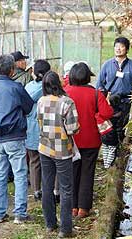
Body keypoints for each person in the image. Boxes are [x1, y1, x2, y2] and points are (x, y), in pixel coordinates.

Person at [0, 54, 34, 224]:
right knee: (19, 174)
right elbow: (28, 107)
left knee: (0, 174)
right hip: (14, 136)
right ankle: (20, 213)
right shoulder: (16, 87)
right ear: (12, 70)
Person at [65, 62, 113, 218]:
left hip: (70, 139)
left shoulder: (65, 93)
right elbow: (107, 113)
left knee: (72, 172)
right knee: (87, 172)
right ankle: (83, 208)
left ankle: (72, 207)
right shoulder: (95, 94)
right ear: (87, 77)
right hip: (91, 140)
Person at [37, 71, 80, 238]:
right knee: (66, 189)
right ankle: (66, 229)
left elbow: (39, 122)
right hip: (62, 150)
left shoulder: (41, 101)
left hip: (45, 147)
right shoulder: (67, 102)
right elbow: (72, 128)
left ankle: (50, 224)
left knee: (46, 186)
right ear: (59, 83)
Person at [96, 36, 132, 130]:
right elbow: (99, 84)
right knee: (110, 126)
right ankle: (112, 144)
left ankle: (120, 142)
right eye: (116, 46)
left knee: (123, 125)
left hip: (126, 101)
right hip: (110, 101)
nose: (118, 49)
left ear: (127, 49)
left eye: (121, 46)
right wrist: (100, 99)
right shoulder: (107, 65)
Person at [24, 59, 51, 201]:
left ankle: (36, 190)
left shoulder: (28, 86)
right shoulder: (47, 88)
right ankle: (48, 188)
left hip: (29, 128)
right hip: (44, 128)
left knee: (33, 161)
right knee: (46, 160)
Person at [101, 94, 125, 168]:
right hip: (113, 134)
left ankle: (105, 164)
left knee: (105, 148)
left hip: (105, 132)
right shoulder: (120, 113)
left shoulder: (106, 111)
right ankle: (108, 165)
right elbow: (120, 126)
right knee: (112, 150)